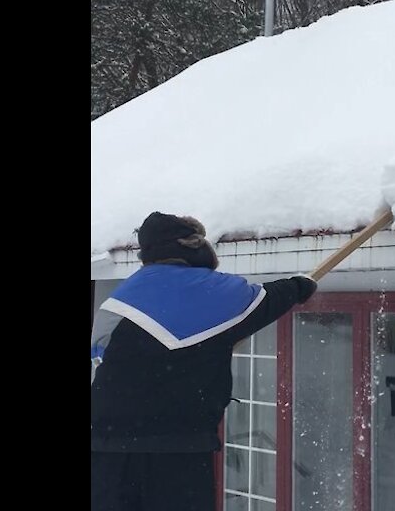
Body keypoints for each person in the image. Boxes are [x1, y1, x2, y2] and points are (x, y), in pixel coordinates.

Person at [91, 211, 317, 511]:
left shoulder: (119, 299)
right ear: (190, 247)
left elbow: (109, 356)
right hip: (175, 455)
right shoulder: (201, 288)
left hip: (104, 452)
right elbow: (263, 302)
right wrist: (299, 286)